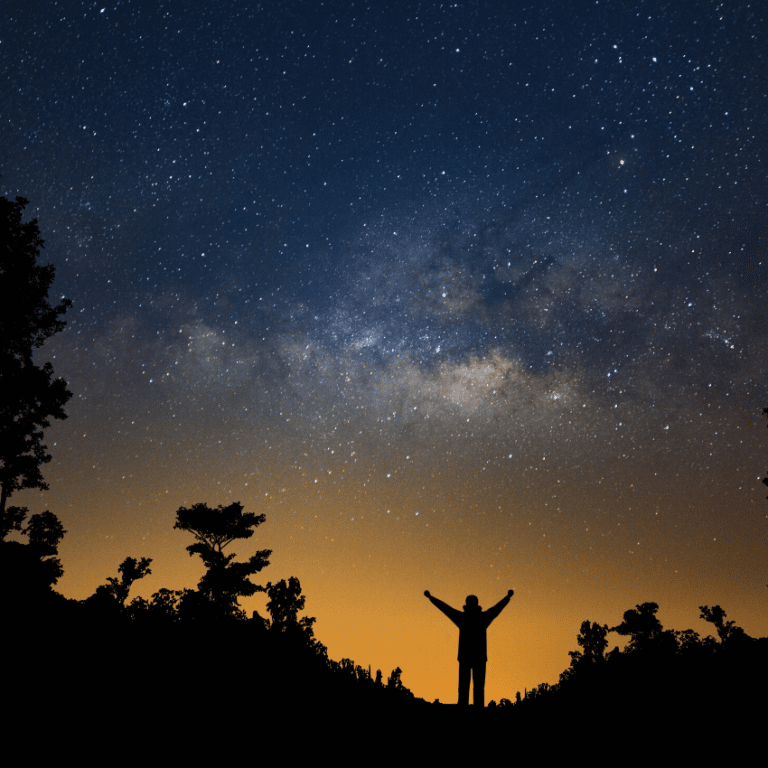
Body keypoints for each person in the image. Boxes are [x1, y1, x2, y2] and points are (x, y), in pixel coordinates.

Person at [424, 589, 513, 707]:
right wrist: (507, 598)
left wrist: (431, 598)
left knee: (464, 688)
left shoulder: (462, 618)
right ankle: (477, 709)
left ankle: (463, 709)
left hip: (466, 657)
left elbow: (445, 608)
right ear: (477, 604)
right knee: (478, 689)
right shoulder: (483, 618)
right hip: (479, 657)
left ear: (466, 604)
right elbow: (497, 609)